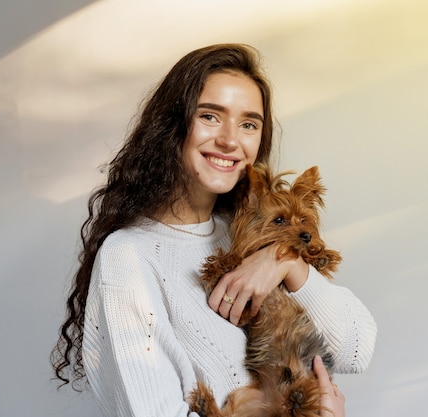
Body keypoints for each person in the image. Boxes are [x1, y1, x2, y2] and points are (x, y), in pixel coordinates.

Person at [51, 43, 377, 417]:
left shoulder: (253, 236)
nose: (230, 139)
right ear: (172, 126)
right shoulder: (129, 255)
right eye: (210, 116)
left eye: (249, 124)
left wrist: (287, 265)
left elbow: (355, 350)